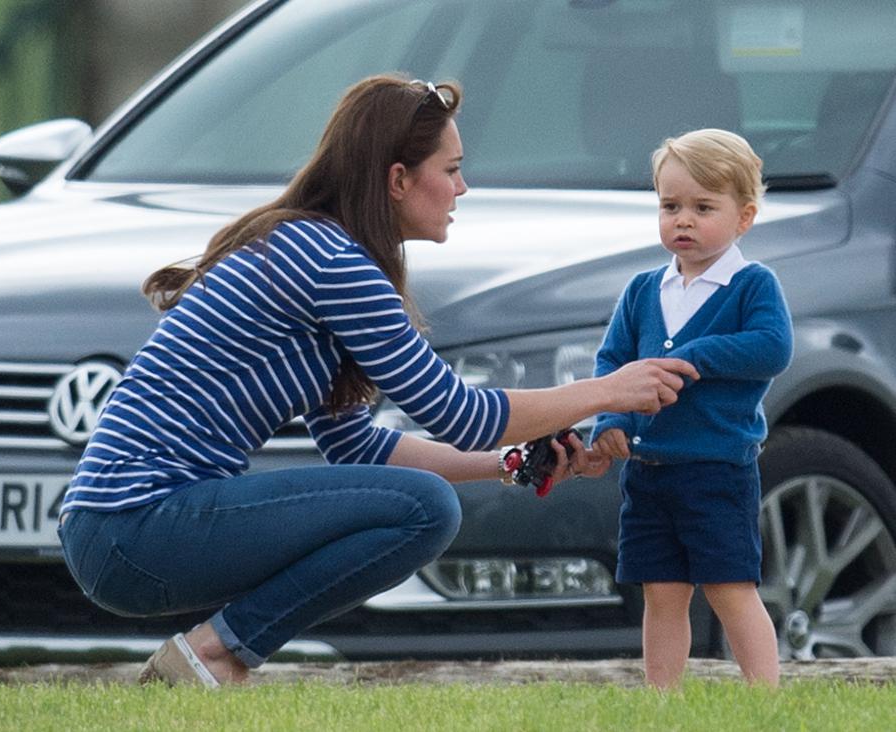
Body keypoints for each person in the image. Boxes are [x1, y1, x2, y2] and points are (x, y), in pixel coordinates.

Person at [57, 74, 698, 687]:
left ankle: (216, 652)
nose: (463, 187)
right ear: (398, 180)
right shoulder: (333, 262)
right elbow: (460, 416)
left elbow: (357, 447)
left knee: (421, 502)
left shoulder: (313, 249)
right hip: (134, 526)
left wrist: (512, 464)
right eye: (451, 169)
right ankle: (215, 653)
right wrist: (610, 388)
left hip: (114, 533)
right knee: (427, 509)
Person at [590, 128, 793, 688]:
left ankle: (764, 697)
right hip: (649, 471)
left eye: (703, 208)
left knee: (730, 587)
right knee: (661, 590)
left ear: (743, 217)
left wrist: (699, 355)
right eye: (670, 206)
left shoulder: (752, 285)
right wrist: (611, 419)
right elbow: (613, 362)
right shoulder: (642, 290)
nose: (683, 220)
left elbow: (773, 347)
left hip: (717, 469)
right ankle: (664, 701)